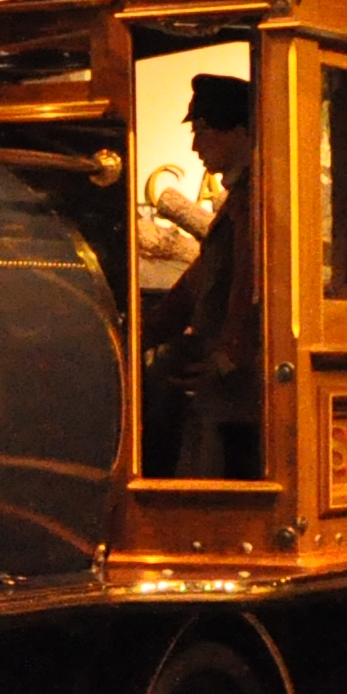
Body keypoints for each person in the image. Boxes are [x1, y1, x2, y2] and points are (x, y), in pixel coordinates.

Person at [153, 72, 260, 479]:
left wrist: (228, 356)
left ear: (239, 131)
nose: (195, 145)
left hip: (238, 387)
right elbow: (199, 282)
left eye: (203, 130)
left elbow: (254, 283)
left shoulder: (256, 201)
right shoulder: (242, 200)